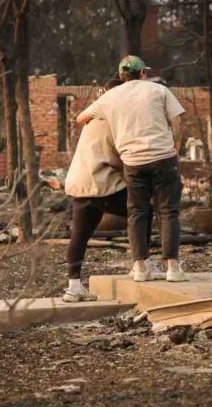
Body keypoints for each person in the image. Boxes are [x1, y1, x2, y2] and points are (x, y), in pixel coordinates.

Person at [76, 55, 186, 283]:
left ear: (120, 76)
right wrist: (176, 147)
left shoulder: (111, 97)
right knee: (168, 211)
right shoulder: (158, 90)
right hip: (163, 157)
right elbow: (177, 120)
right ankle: (173, 268)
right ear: (143, 73)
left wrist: (100, 113)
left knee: (137, 212)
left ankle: (140, 267)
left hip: (133, 162)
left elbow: (80, 118)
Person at [62, 79, 156, 302]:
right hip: (103, 183)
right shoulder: (115, 119)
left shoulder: (92, 118)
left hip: (81, 184)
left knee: (80, 235)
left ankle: (73, 286)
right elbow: (124, 156)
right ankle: (140, 263)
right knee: (143, 211)